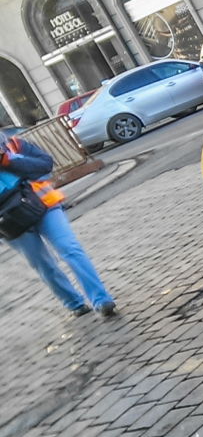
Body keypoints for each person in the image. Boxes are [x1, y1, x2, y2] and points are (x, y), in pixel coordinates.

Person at [1, 135, 115, 317]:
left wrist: (8, 161)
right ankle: (73, 303)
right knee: (43, 265)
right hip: (10, 220)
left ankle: (101, 300)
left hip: (43, 202)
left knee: (69, 248)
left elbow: (45, 165)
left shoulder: (11, 144)